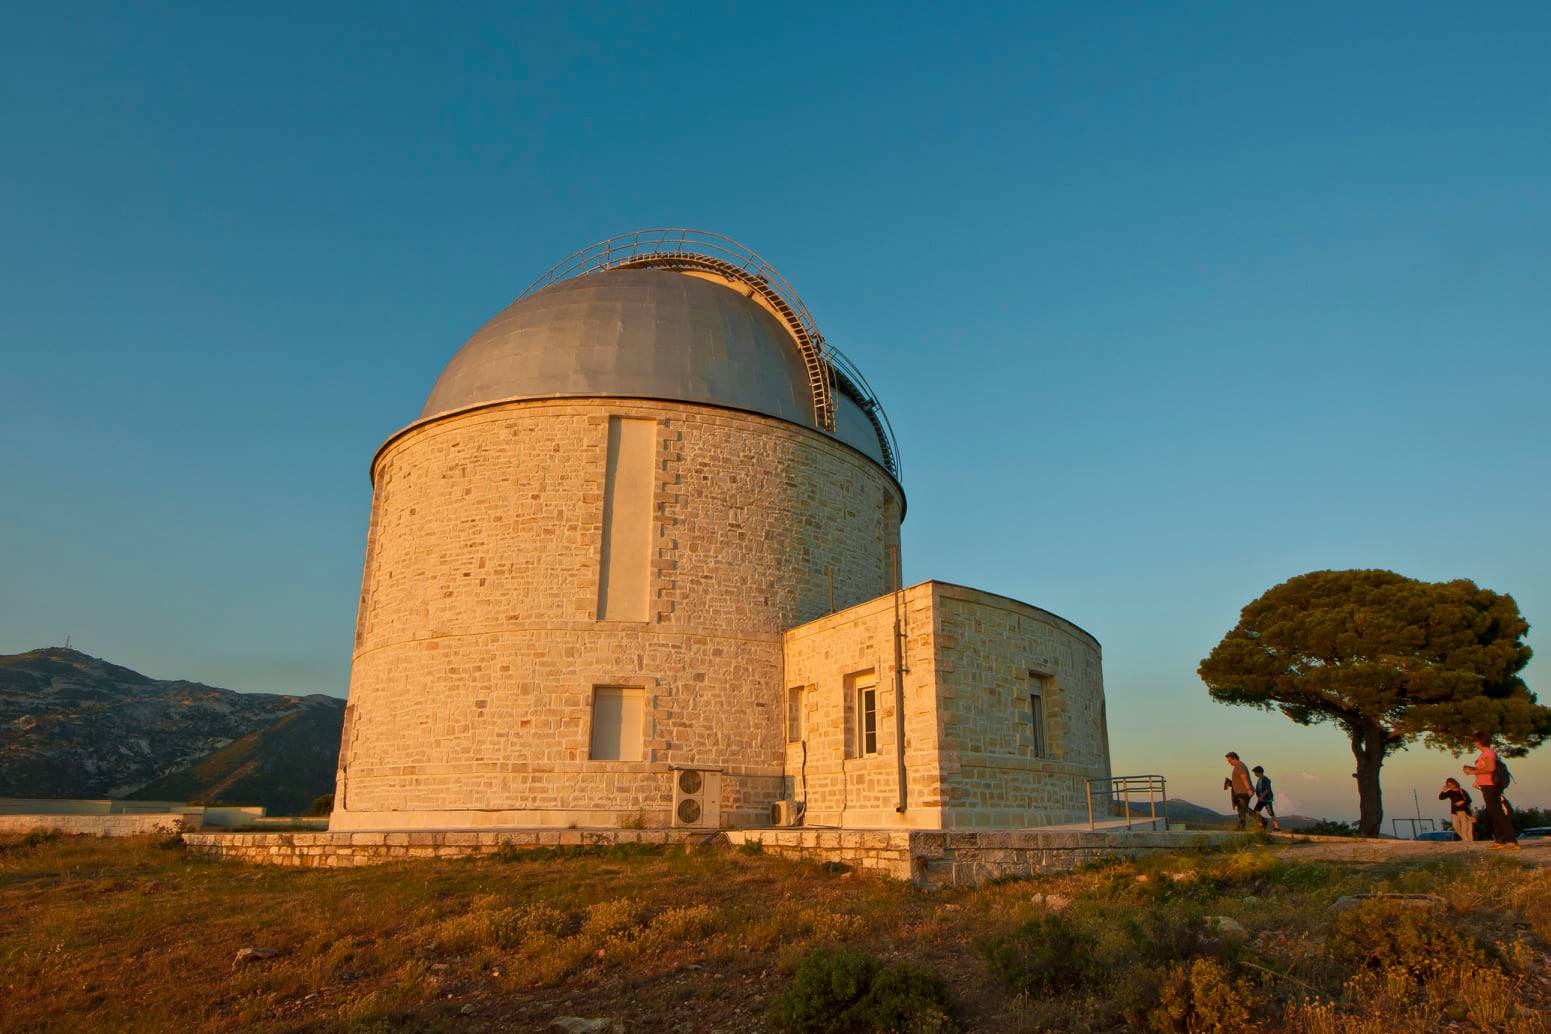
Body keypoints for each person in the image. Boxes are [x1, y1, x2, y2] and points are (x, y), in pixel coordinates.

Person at [1463, 733, 1519, 851]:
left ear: (1479, 742)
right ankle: (1500, 840)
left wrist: (1473, 771)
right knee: (1493, 813)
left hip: (1491, 786)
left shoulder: (1488, 753)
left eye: (1475, 741)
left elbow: (1490, 768)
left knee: (1497, 813)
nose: (1474, 743)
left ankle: (1511, 840)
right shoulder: (1485, 754)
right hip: (1486, 786)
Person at [1438, 777, 1473, 842]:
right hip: (1454, 811)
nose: (1450, 786)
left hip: (1463, 810)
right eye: (1449, 785)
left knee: (1464, 827)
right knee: (1455, 825)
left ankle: (1467, 839)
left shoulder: (1461, 791)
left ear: (1455, 783)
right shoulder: (1449, 792)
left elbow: (1469, 800)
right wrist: (1443, 790)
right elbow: (1441, 797)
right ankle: (1465, 838)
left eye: (1451, 784)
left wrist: (1462, 802)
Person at [1224, 752, 1253, 830]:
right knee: (1243, 809)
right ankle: (1242, 826)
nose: (1229, 763)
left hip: (1244, 792)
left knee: (1242, 809)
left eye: (1230, 761)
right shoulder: (1238, 766)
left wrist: (1248, 789)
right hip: (1240, 792)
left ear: (1234, 758)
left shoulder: (1240, 766)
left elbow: (1244, 778)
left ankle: (1242, 827)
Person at [1250, 766, 1280, 831]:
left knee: (1270, 812)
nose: (1255, 774)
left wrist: (1261, 797)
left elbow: (1267, 790)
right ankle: (1262, 823)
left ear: (1260, 772)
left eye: (1255, 772)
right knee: (1255, 811)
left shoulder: (1265, 779)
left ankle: (1277, 827)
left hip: (1266, 800)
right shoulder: (1259, 780)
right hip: (1261, 799)